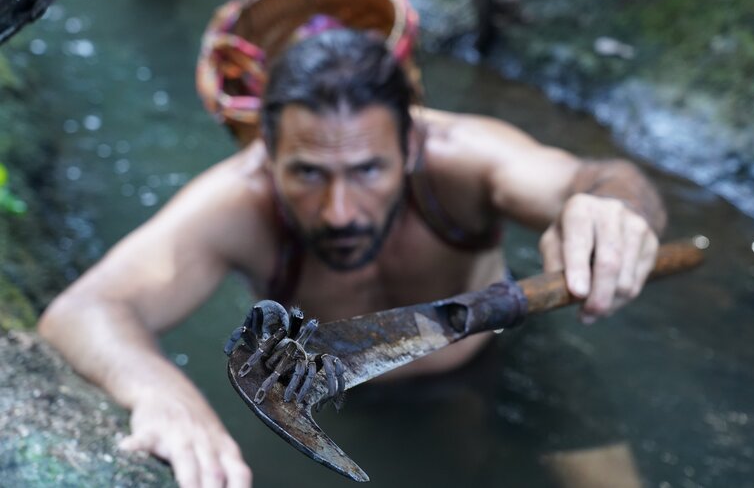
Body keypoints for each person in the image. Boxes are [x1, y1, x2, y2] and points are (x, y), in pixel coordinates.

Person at [38, 29, 665, 488]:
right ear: (267, 153)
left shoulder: (464, 160)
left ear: (412, 145)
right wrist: (160, 393)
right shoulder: (240, 201)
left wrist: (615, 209)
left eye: (367, 170)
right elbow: (83, 309)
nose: (339, 211)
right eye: (308, 173)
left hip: (499, 347)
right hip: (346, 393)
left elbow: (597, 177)